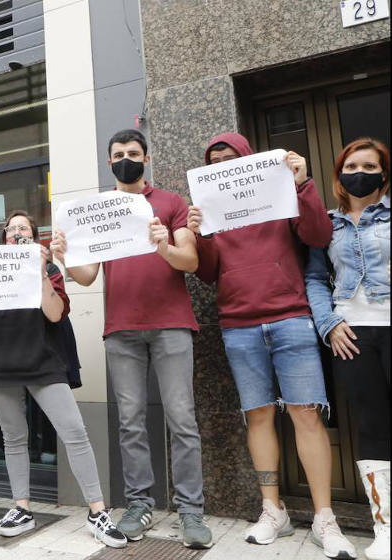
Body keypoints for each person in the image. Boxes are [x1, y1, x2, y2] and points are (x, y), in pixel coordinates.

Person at [187, 132, 356, 559]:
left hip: (291, 317)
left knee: (306, 414)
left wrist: (302, 184)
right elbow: (207, 273)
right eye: (215, 160)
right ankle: (272, 509)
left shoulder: (281, 190)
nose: (222, 163)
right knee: (258, 417)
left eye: (230, 156)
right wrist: (200, 234)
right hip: (238, 324)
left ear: (247, 158)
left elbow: (318, 235)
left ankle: (325, 517)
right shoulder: (211, 208)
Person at [52, 129, 212, 548]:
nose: (127, 159)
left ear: (146, 157)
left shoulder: (171, 203)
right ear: (109, 163)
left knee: (182, 420)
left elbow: (190, 260)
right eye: (119, 154)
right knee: (131, 424)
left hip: (172, 325)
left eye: (134, 153)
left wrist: (162, 245)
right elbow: (87, 275)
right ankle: (139, 505)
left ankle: (191, 512)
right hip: (121, 330)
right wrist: (65, 256)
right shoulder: (99, 210)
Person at [0, 210, 126, 547]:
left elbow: (55, 313)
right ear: (3, 239)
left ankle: (97, 511)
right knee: (13, 438)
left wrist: (41, 271)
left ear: (34, 237)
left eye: (24, 228)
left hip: (43, 361)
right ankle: (22, 507)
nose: (17, 232)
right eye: (11, 229)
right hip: (0, 361)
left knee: (75, 433)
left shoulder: (47, 269)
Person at [305, 138, 390, 560]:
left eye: (369, 165)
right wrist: (329, 323)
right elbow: (316, 279)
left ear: (383, 173)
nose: (360, 172)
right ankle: (385, 528)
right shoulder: (327, 225)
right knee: (372, 427)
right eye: (352, 165)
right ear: (339, 174)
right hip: (351, 335)